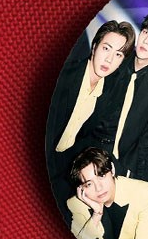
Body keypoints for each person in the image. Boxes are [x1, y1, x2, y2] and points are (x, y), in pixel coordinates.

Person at [45, 20, 136, 213]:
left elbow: (92, 137)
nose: (109, 59)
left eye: (118, 54)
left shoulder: (108, 91)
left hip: (64, 168)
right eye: (106, 48)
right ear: (94, 47)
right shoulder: (64, 77)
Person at [84, 9, 148, 190]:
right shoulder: (118, 60)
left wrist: (128, 165)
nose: (147, 40)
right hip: (90, 143)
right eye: (146, 32)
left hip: (124, 158)